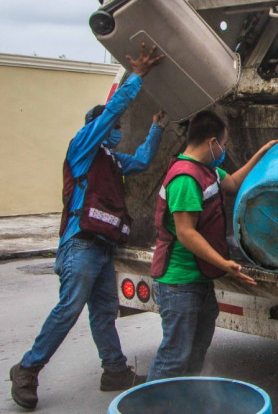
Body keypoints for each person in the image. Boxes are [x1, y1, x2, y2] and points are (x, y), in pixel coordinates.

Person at [10, 43, 165, 410]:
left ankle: (114, 370)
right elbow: (111, 111)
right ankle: (27, 369)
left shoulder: (111, 159)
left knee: (103, 310)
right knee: (70, 307)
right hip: (80, 243)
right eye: (111, 126)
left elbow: (142, 160)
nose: (116, 130)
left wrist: (157, 128)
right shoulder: (82, 146)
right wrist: (137, 77)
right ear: (98, 128)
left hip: (101, 247)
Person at [147, 110, 278, 381]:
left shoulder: (208, 171)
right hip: (179, 282)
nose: (224, 149)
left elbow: (232, 183)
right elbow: (186, 233)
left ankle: (182, 402)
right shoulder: (185, 178)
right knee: (174, 356)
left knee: (195, 352)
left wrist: (261, 154)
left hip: (199, 279)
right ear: (211, 142)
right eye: (223, 144)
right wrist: (225, 264)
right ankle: (150, 405)